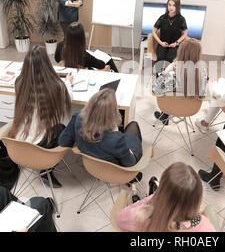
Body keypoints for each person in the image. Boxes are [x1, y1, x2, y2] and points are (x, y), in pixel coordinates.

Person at [7, 45, 72, 188]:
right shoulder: (57, 86)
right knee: (63, 128)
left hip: (19, 143)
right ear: (47, 65)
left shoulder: (19, 83)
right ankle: (46, 170)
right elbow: (69, 100)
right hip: (40, 147)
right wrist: (69, 83)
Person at [115, 162, 216, 232]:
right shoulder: (204, 225)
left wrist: (152, 199)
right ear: (197, 198)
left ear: (162, 190)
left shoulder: (139, 217)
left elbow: (119, 219)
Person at [59, 88, 143, 169]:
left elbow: (63, 142)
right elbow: (130, 164)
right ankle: (134, 178)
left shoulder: (77, 118)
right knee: (133, 126)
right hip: (111, 169)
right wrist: (127, 148)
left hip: (91, 166)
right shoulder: (116, 140)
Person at [153, 38, 208, 124]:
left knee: (165, 86)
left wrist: (169, 68)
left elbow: (156, 90)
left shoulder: (172, 75)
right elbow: (202, 94)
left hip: (169, 106)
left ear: (180, 52)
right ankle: (165, 115)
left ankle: (164, 116)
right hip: (191, 108)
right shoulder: (203, 73)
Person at [54, 22, 119, 72]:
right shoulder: (84, 55)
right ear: (81, 37)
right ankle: (118, 76)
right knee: (108, 57)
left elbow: (57, 59)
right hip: (84, 73)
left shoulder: (60, 46)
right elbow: (101, 65)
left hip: (70, 71)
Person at [152, 0, 188, 73]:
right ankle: (159, 75)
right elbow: (153, 32)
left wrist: (176, 43)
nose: (171, 7)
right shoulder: (162, 18)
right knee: (161, 57)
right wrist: (160, 42)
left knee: (169, 58)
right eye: (169, 5)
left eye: (173, 5)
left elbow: (185, 34)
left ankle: (167, 76)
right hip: (162, 44)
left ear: (177, 7)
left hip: (174, 45)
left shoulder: (181, 19)